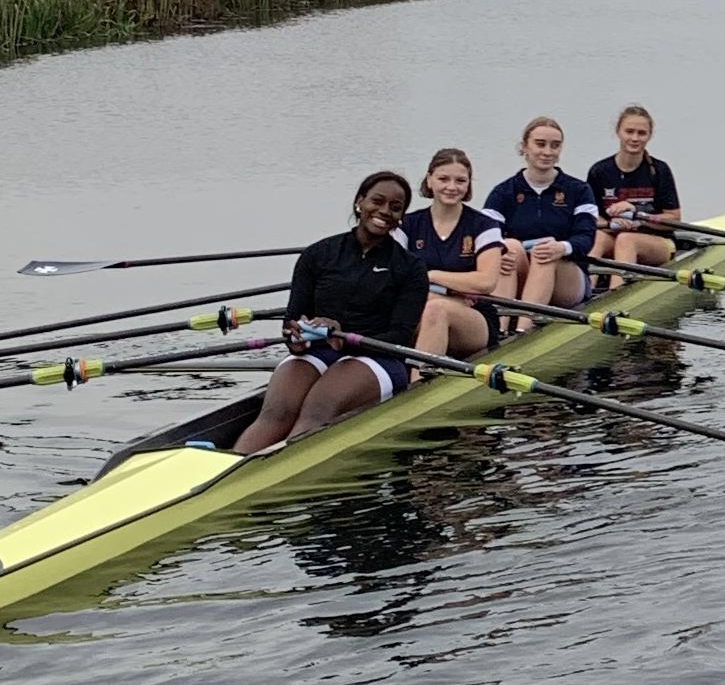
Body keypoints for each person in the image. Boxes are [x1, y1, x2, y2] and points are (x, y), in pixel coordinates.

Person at [235, 171, 432, 452]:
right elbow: (292, 320)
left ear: (401, 217)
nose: (385, 211)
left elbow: (399, 337)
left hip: (379, 356)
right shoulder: (318, 254)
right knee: (277, 412)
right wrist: (295, 338)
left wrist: (346, 335)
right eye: (377, 201)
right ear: (359, 202)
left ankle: (277, 465)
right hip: (318, 351)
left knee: (319, 407)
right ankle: (229, 468)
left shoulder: (410, 268)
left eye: (395, 207)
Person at [485, 116, 597, 323]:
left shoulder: (579, 190)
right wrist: (499, 252)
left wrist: (562, 248)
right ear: (524, 147)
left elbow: (586, 238)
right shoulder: (503, 193)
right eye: (540, 144)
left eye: (555, 146)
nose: (547, 152)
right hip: (522, 274)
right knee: (506, 247)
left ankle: (522, 329)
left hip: (567, 279)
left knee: (545, 250)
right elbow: (485, 239)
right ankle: (499, 329)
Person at [400, 147, 506, 356]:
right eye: (443, 179)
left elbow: (486, 281)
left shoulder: (485, 225)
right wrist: (447, 295)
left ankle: (420, 383)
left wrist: (432, 276)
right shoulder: (407, 225)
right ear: (429, 180)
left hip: (474, 317)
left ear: (468, 185)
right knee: (429, 307)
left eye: (460, 181)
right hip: (422, 308)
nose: (452, 187)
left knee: (436, 309)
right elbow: (397, 280)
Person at [587, 104, 682, 281]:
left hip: (658, 243)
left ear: (649, 136)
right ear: (618, 132)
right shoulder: (599, 172)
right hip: (613, 236)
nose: (635, 138)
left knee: (626, 239)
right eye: (629, 132)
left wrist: (637, 216)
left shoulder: (659, 170)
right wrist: (612, 222)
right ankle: (582, 296)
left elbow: (674, 219)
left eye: (641, 133)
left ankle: (617, 297)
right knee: (597, 237)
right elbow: (593, 217)